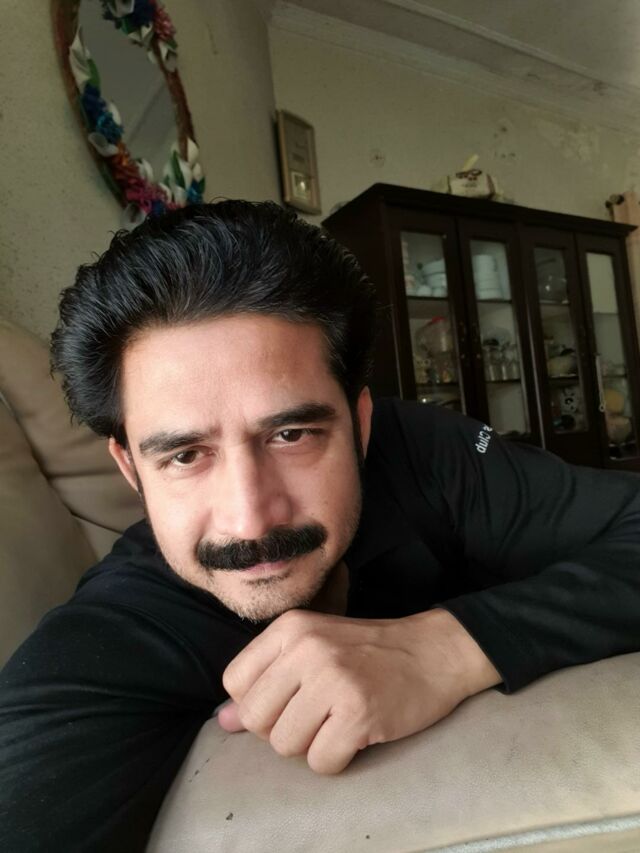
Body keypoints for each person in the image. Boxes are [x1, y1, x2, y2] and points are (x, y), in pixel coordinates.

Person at [2, 200, 640, 852]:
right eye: (185, 455)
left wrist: (450, 646)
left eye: (291, 434)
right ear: (132, 469)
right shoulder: (116, 634)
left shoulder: (426, 452)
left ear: (360, 423)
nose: (250, 518)